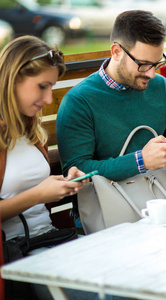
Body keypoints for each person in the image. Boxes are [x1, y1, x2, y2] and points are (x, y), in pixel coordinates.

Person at [56, 10, 166, 221]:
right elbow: (77, 170)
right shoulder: (79, 100)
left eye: (157, 63)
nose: (151, 73)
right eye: (143, 64)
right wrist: (140, 161)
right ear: (116, 52)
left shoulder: (160, 86)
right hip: (108, 215)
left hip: (156, 207)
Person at [0, 35, 93, 299]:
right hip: (18, 253)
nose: (49, 98)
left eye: (51, 87)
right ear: (14, 79)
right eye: (42, 86)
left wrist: (64, 182)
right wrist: (40, 194)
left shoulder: (28, 129)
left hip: (51, 239)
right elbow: (33, 192)